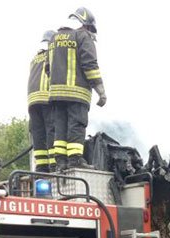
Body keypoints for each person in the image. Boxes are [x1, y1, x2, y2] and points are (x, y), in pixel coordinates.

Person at [48, 7, 107, 171]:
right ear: (85, 24)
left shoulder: (53, 39)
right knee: (76, 125)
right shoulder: (82, 36)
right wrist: (101, 91)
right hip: (77, 94)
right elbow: (90, 66)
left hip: (56, 96)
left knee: (60, 127)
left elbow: (48, 68)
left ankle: (60, 162)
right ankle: (74, 160)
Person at [27, 31, 56, 173]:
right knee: (52, 130)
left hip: (32, 101)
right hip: (46, 97)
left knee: (38, 134)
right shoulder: (52, 54)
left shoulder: (35, 58)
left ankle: (41, 166)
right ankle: (53, 164)